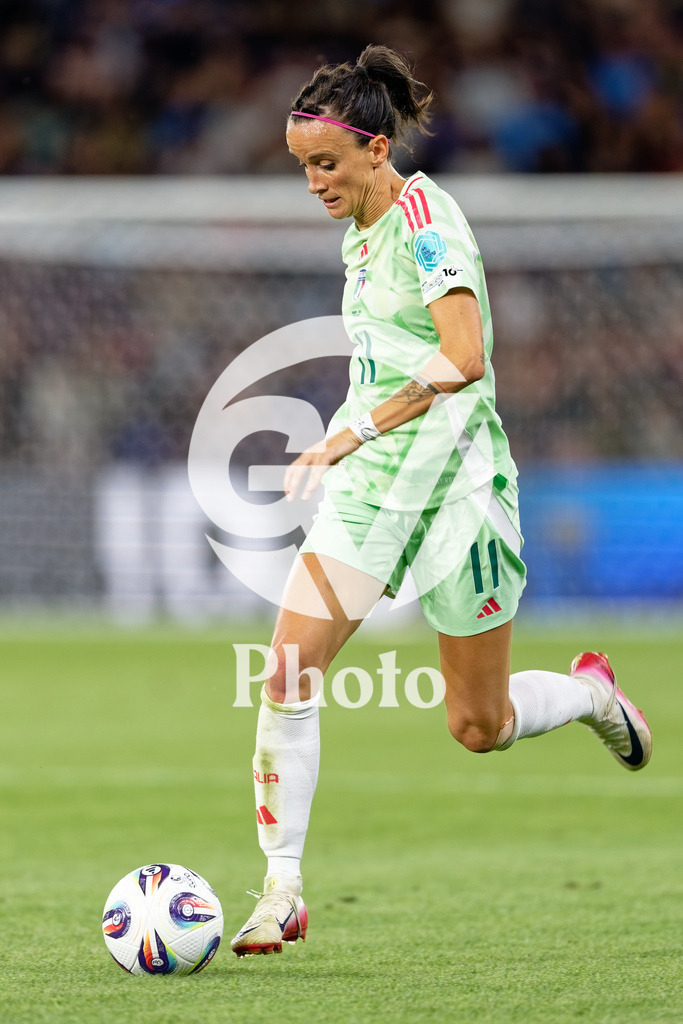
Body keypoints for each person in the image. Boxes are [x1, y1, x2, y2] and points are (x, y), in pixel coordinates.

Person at [230, 45, 652, 957]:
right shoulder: (358, 232)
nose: (313, 183)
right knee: (286, 675)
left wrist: (356, 428)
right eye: (302, 166)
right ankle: (281, 890)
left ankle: (586, 695)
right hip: (373, 490)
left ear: (377, 150)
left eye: (326, 164)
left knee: (477, 726)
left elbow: (464, 359)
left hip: (458, 487)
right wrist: (359, 444)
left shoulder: (429, 223)